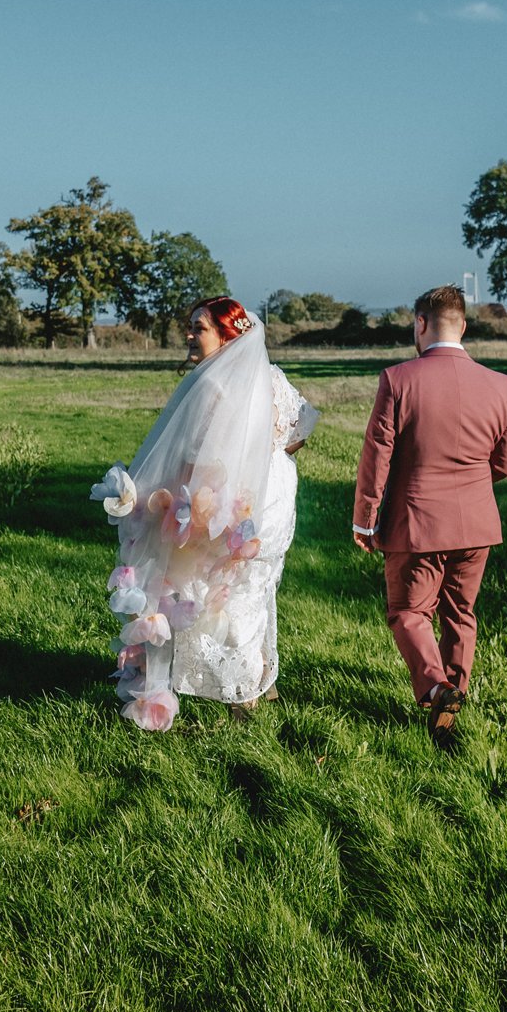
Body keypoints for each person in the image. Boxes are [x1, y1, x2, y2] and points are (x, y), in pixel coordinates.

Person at [90, 297, 318, 730]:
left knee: (223, 593)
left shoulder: (212, 385)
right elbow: (299, 431)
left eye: (199, 328)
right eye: (191, 327)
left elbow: (193, 458)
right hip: (270, 502)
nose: (190, 335)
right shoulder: (272, 378)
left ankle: (242, 692)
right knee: (253, 590)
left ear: (227, 335)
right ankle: (260, 682)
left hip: (231, 505)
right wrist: (267, 460)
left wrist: (162, 499)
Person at [352, 285, 507, 750]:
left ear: (420, 324)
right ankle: (452, 706)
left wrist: (365, 519)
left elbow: (376, 456)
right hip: (478, 524)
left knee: (408, 612)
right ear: (463, 326)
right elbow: (505, 466)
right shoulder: (501, 386)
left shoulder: (398, 379)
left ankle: (437, 688)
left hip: (416, 521)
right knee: (460, 614)